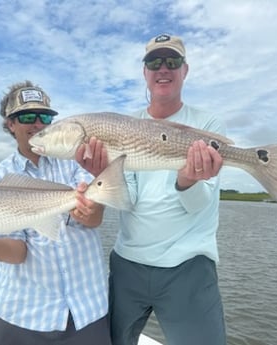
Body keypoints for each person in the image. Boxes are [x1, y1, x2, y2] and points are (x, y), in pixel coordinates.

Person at [0, 81, 112, 345]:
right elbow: (17, 252)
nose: (37, 123)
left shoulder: (78, 161)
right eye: (27, 116)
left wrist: (92, 207)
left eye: (45, 116)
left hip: (87, 311)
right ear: (10, 124)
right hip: (22, 315)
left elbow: (94, 220)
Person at [77, 34, 227, 345]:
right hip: (128, 263)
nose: (163, 69)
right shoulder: (125, 126)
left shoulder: (207, 125)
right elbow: (127, 201)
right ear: (144, 72)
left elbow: (200, 205)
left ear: (185, 71)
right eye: (153, 62)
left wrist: (187, 181)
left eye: (172, 62)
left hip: (188, 267)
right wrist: (104, 175)